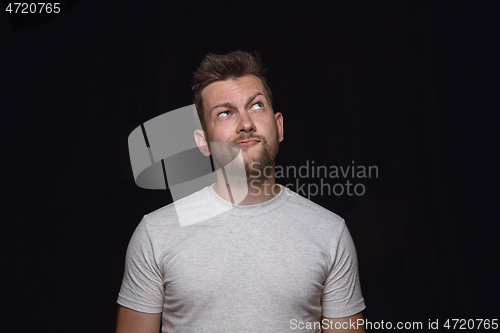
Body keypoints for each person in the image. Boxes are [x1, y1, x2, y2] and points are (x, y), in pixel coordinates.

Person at [116, 51, 366, 332]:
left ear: (279, 126)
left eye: (257, 106)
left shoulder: (330, 233)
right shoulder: (155, 233)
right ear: (204, 142)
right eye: (225, 113)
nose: (245, 124)